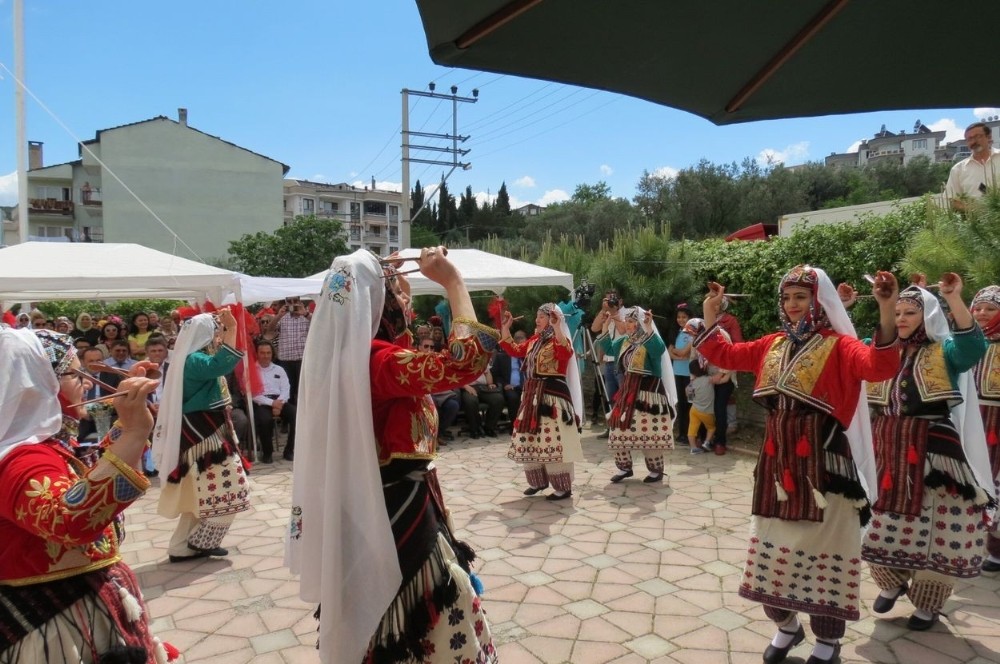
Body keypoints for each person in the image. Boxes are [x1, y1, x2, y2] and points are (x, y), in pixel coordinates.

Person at [286, 247, 498, 664]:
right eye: (396, 296)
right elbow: (466, 361)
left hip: (372, 505)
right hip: (397, 513)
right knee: (424, 618)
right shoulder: (379, 362)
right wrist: (453, 281)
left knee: (378, 616)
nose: (405, 301)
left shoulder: (349, 360)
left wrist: (396, 290)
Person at [695, 265, 901, 664]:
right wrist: (710, 312)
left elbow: (880, 367)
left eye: (800, 297)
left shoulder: (841, 346)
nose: (792, 305)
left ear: (818, 301)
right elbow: (724, 353)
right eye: (787, 297)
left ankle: (828, 642)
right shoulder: (771, 344)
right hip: (777, 463)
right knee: (771, 553)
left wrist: (887, 308)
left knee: (826, 555)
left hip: (826, 466)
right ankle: (787, 627)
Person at [0, 327, 178, 663]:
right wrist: (135, 430)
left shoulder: (35, 447)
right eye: (73, 372)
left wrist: (130, 426)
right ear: (35, 382)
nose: (85, 381)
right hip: (58, 634)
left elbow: (87, 480)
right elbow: (72, 521)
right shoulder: (18, 459)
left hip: (73, 620)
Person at [862, 275, 993, 631]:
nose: (901, 318)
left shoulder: (944, 351)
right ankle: (892, 580)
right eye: (898, 312)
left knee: (938, 529)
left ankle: (928, 603)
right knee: (877, 526)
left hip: (936, 452)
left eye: (909, 313)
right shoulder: (880, 351)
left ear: (927, 317)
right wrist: (841, 308)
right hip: (887, 447)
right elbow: (843, 347)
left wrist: (953, 298)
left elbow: (972, 348)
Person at [152, 309, 251, 563]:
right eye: (215, 331)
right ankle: (199, 541)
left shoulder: (191, 358)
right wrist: (232, 329)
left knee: (200, 492)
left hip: (205, 428)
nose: (218, 336)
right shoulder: (193, 360)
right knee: (232, 486)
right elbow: (222, 363)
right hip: (202, 433)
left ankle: (183, 545)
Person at [500, 303, 584, 501]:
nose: (537, 319)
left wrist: (557, 327)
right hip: (532, 395)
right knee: (530, 439)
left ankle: (563, 487)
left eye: (542, 316)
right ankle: (538, 482)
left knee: (552, 440)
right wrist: (505, 327)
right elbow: (514, 349)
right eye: (537, 316)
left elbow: (565, 353)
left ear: (553, 319)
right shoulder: (535, 340)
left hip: (551, 397)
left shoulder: (558, 339)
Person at [596, 306, 676, 483]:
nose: (627, 324)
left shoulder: (649, 340)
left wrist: (648, 327)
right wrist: (605, 325)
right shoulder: (625, 341)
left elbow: (659, 350)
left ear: (640, 323)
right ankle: (624, 468)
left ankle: (655, 470)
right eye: (627, 321)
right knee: (617, 429)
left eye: (631, 321)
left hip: (649, 391)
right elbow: (608, 348)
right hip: (628, 390)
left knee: (649, 432)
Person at [971, 285, 1000, 572]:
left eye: (990, 309)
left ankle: (997, 548)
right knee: (975, 480)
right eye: (978, 308)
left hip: (997, 422)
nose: (981, 313)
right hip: (972, 418)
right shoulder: (967, 342)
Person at [251, 340, 296, 463]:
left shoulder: (279, 369)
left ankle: (289, 450)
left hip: (280, 400)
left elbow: (286, 388)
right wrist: (272, 404)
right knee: (265, 420)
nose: (266, 356)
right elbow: (253, 394)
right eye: (262, 353)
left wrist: (279, 404)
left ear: (272, 354)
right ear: (257, 354)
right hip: (262, 402)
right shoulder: (252, 370)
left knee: (295, 415)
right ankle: (267, 453)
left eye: (268, 353)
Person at [590, 289, 626, 437]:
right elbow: (594, 328)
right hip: (609, 362)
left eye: (613, 299)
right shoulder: (605, 313)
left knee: (623, 396)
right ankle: (612, 426)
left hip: (621, 362)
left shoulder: (626, 313)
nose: (610, 302)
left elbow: (623, 331)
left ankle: (624, 427)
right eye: (607, 299)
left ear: (620, 301)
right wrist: (603, 311)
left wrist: (615, 313)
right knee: (610, 396)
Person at [947, 122, 999, 212]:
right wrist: (974, 212)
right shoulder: (958, 169)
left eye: (977, 136)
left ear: (989, 137)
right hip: (977, 224)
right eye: (969, 139)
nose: (973, 142)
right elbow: (953, 200)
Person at [668, 303, 694, 448]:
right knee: (681, 404)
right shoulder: (676, 332)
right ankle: (682, 433)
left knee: (690, 403)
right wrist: (678, 354)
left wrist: (677, 353)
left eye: (684, 317)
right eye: (679, 317)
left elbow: (685, 352)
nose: (681, 320)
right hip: (677, 373)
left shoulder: (692, 333)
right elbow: (670, 350)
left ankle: (691, 433)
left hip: (690, 375)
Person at [686, 359, 716, 454]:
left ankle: (693, 448)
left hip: (694, 409)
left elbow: (690, 398)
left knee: (692, 429)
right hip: (706, 411)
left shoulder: (691, 385)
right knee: (711, 428)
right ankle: (706, 443)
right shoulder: (709, 379)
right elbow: (719, 379)